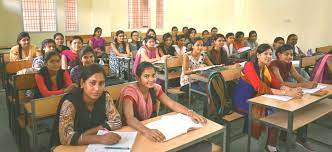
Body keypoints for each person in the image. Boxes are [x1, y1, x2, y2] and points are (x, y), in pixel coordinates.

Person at [232, 44, 303, 152]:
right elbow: (259, 87)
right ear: (258, 55)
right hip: (244, 100)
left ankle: (271, 144)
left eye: (270, 54)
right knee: (272, 114)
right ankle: (261, 145)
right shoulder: (249, 65)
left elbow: (275, 82)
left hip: (259, 97)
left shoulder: (264, 67)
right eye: (265, 54)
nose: (269, 56)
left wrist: (288, 90)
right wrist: (285, 93)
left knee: (279, 110)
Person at [117, 61, 206, 142]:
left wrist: (190, 113)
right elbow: (130, 118)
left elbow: (172, 104)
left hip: (149, 126)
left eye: (153, 75)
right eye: (146, 76)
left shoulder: (155, 88)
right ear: (137, 78)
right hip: (132, 130)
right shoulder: (130, 92)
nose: (151, 79)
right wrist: (147, 131)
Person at [49, 64, 122, 149]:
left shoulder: (105, 97)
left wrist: (89, 133)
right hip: (65, 147)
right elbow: (66, 138)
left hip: (91, 145)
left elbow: (117, 121)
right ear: (82, 83)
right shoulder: (70, 102)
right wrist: (99, 138)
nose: (97, 89)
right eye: (92, 83)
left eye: (101, 83)